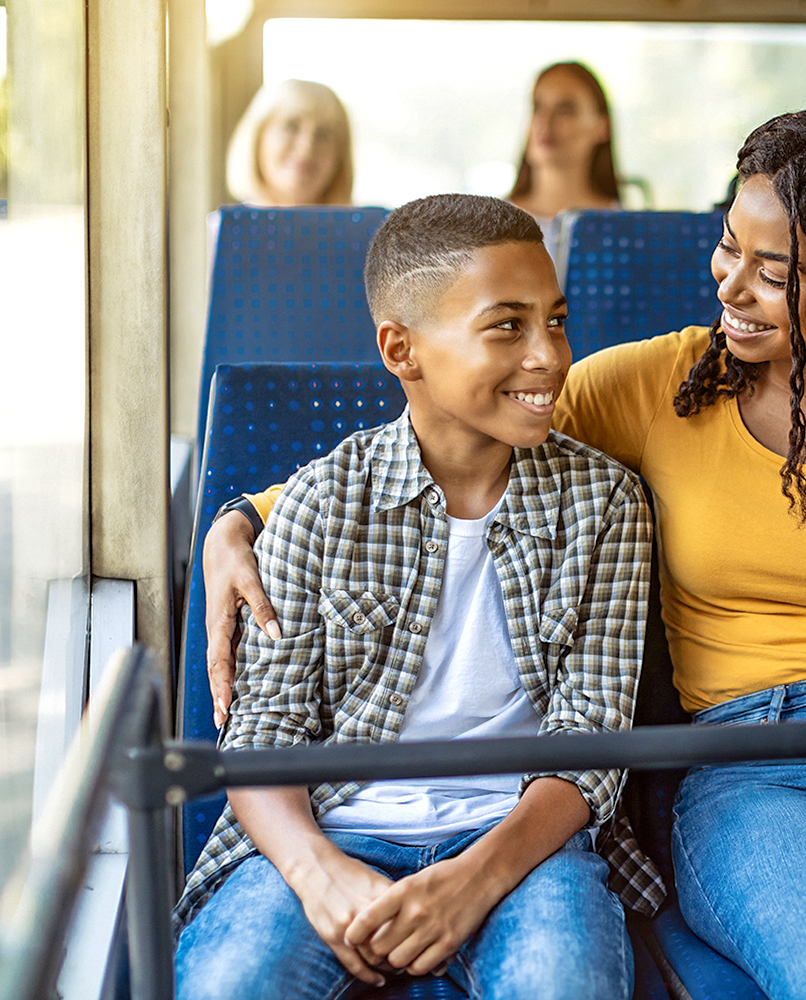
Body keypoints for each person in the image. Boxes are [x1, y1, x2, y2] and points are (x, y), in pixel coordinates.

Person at [204, 101, 806, 999]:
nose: (729, 283)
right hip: (753, 761)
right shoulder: (664, 387)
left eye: (773, 271)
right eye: (730, 245)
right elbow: (458, 438)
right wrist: (246, 516)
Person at [174, 194, 660, 1000]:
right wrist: (320, 874)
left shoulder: (605, 504)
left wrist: (474, 880)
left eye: (557, 320)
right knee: (233, 983)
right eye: (507, 325)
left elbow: (590, 742)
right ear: (403, 349)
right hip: (336, 825)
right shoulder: (322, 503)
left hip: (522, 845)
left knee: (562, 981)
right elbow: (265, 735)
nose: (548, 356)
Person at [506, 62, 620, 255]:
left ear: (602, 127)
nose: (545, 122)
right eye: (537, 107)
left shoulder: (625, 232)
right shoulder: (492, 232)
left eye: (565, 110)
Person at [225, 78, 354, 208]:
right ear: (258, 137)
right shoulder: (227, 226)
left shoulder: (367, 227)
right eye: (291, 126)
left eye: (323, 134)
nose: (306, 147)